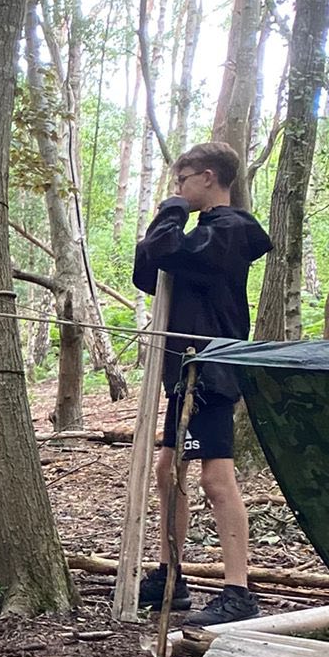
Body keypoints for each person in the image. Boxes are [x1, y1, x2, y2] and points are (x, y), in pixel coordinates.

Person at [132, 140, 272, 631]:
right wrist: (168, 219)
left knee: (215, 477)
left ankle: (238, 590)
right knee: (167, 470)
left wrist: (171, 212)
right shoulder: (199, 235)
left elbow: (171, 250)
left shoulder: (231, 231)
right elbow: (148, 271)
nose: (178, 189)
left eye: (183, 181)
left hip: (211, 368)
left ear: (208, 178)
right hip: (184, 369)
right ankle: (171, 575)